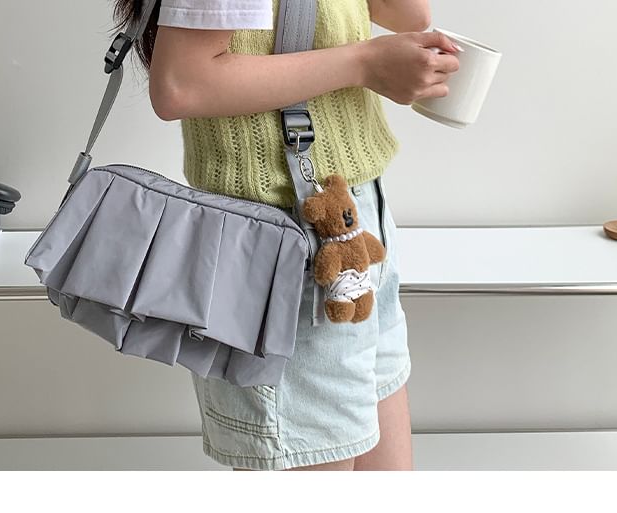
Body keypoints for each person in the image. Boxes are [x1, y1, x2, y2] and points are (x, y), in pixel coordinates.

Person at [111, 0, 460, 470]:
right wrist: (364, 63)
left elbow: (409, 16)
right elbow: (182, 84)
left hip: (355, 218)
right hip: (281, 240)